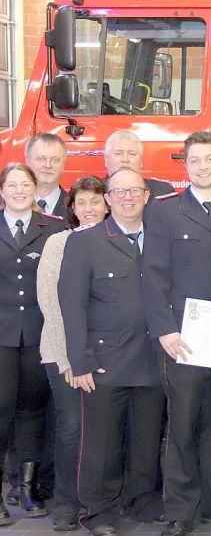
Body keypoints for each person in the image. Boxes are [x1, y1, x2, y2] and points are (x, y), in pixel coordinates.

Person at [142, 132, 211, 536]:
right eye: (197, 161)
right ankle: (181, 510)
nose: (205, 167)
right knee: (183, 426)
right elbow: (152, 276)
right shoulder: (166, 212)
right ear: (185, 166)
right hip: (184, 336)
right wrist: (165, 331)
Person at [59, 168, 166, 536]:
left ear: (147, 195)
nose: (127, 197)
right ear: (107, 199)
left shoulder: (160, 238)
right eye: (118, 192)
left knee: (147, 437)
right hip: (106, 361)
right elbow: (70, 306)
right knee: (101, 442)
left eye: (134, 191)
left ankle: (142, 500)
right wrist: (80, 359)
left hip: (153, 357)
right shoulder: (85, 242)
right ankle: (98, 511)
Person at [37, 175, 109, 531]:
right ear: (73, 209)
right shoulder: (57, 243)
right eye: (82, 203)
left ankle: (100, 500)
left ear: (107, 203)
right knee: (72, 426)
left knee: (102, 429)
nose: (89, 208)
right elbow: (51, 303)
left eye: (95, 201)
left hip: (106, 354)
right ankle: (67, 501)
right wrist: (70, 359)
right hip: (63, 352)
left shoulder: (118, 240)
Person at [0, 163, 65, 524]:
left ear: (34, 188)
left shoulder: (54, 228)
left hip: (39, 334)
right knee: (1, 407)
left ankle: (28, 488)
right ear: (2, 190)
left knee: (32, 410)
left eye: (25, 184)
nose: (19, 190)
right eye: (12, 185)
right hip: (1, 333)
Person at [104, 130, 176, 199]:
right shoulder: (95, 192)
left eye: (131, 154)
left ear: (141, 161)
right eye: (118, 153)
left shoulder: (162, 192)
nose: (125, 160)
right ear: (106, 160)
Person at [26, 133, 70, 218]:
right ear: (28, 162)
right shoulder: (7, 205)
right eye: (41, 159)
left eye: (55, 160)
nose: (48, 165)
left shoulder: (75, 208)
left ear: (64, 164)